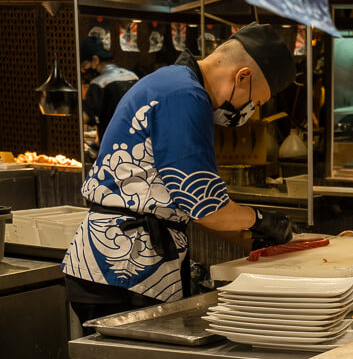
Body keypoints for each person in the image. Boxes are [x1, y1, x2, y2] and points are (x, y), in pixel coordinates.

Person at [63, 23, 297, 324]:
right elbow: (204, 206)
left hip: (112, 261)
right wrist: (262, 220)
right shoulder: (185, 96)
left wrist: (252, 236)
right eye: (256, 101)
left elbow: (190, 203)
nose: (249, 110)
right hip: (123, 266)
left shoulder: (171, 83)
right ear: (243, 76)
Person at [80, 35, 138, 144]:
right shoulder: (133, 76)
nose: (84, 72)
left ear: (95, 60)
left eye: (84, 66)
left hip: (113, 147)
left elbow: (85, 117)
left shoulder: (99, 83)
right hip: (137, 143)